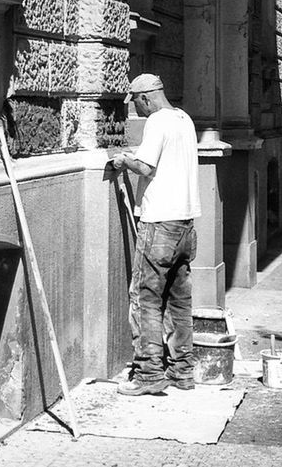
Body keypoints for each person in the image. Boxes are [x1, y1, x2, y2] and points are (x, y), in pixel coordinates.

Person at [112, 74, 201, 396]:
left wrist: (124, 160)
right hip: (185, 223)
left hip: (159, 222)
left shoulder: (157, 122)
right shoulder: (183, 119)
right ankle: (182, 371)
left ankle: (149, 374)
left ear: (146, 97)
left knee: (145, 299)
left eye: (135, 102)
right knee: (179, 301)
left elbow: (146, 167)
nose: (135, 109)